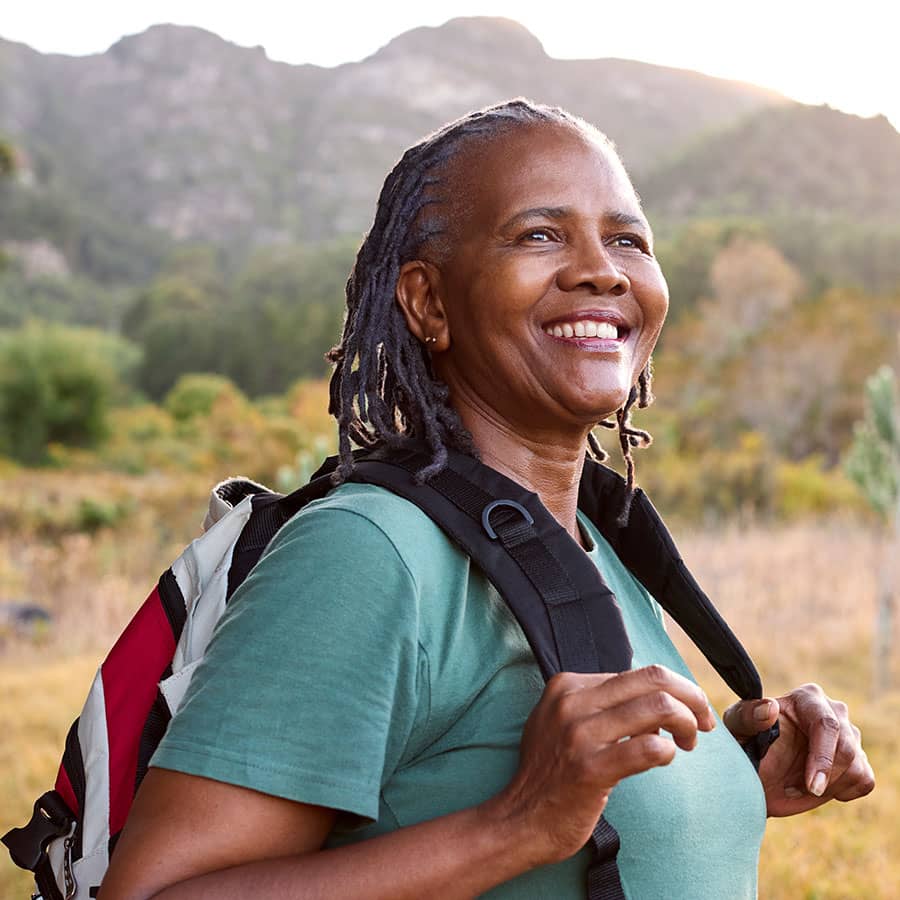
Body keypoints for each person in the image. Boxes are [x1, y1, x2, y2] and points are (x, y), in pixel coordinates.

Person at [98, 99, 874, 900]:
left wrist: (724, 773)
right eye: (539, 235)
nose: (602, 269)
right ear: (428, 303)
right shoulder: (369, 552)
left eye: (627, 239)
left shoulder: (583, 544)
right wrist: (518, 824)